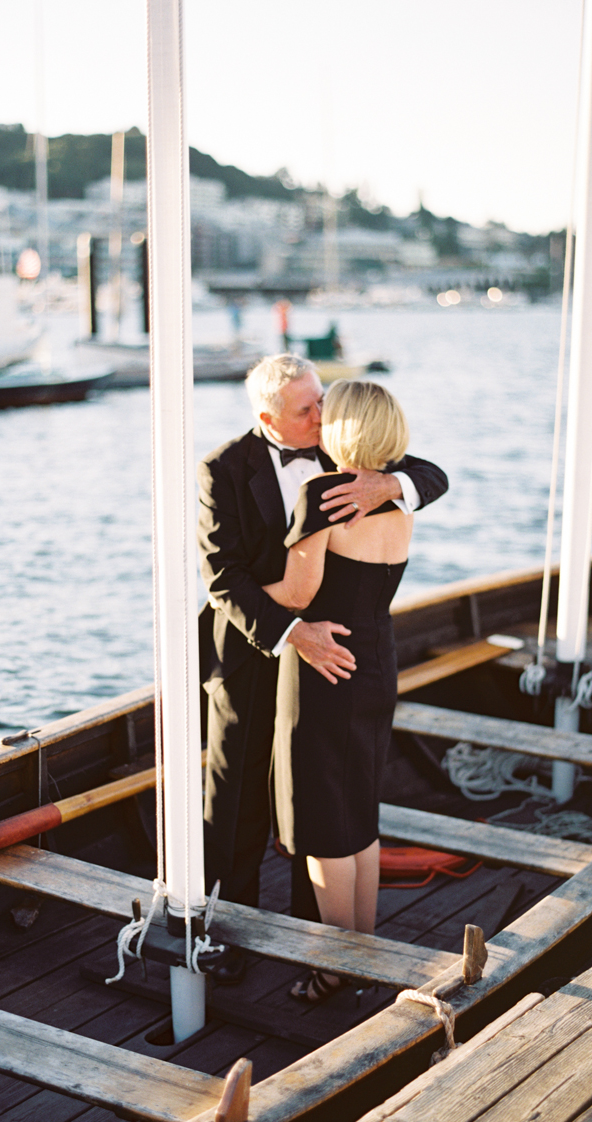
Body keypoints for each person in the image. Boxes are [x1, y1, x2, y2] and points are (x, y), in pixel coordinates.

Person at [197, 354, 447, 982]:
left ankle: (324, 953)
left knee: (323, 811)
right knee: (237, 805)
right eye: (307, 409)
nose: (322, 414)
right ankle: (229, 938)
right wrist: (290, 634)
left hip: (326, 662)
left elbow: (432, 475)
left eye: (324, 402)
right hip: (255, 653)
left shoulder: (373, 480)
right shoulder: (220, 470)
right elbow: (222, 578)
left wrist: (384, 484)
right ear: (268, 418)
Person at [264, 380, 412, 1002]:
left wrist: (241, 591)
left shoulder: (320, 495)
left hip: (323, 676)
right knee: (360, 817)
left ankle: (334, 967)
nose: (319, 416)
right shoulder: (399, 507)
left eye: (330, 411)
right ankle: (363, 953)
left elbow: (297, 596)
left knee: (325, 828)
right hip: (377, 667)